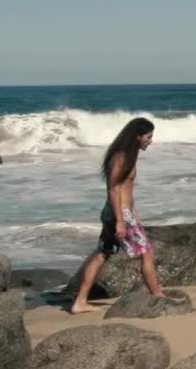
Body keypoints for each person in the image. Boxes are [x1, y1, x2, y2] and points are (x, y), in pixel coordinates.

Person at [69, 117, 166, 313]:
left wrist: (133, 214)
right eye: (148, 136)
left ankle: (80, 302)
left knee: (101, 255)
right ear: (137, 136)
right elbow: (113, 189)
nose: (151, 140)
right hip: (119, 215)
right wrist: (121, 221)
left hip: (120, 214)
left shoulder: (128, 155)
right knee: (146, 252)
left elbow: (125, 190)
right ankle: (158, 296)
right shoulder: (121, 157)